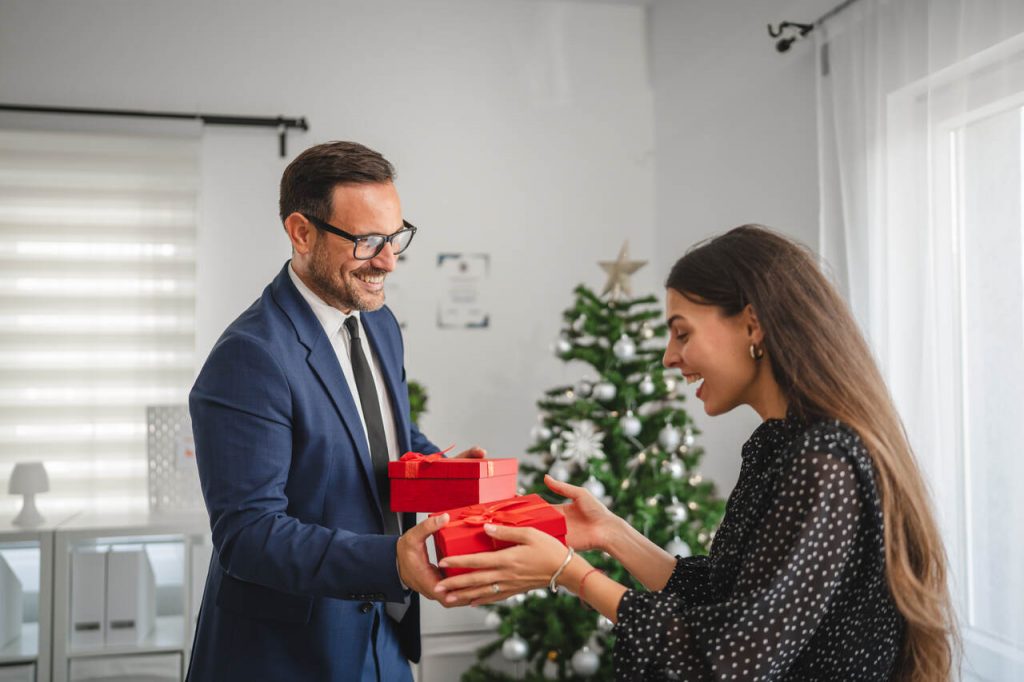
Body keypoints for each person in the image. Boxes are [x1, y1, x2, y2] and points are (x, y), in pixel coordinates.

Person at [435, 225, 957, 681]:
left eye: (682, 333)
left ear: (752, 325)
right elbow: (718, 595)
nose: (669, 357)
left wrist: (571, 573)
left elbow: (729, 659)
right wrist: (610, 535)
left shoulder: (822, 463)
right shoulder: (779, 447)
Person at [186, 141, 482, 682]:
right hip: (286, 656)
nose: (389, 261)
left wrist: (443, 471)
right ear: (301, 232)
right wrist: (392, 561)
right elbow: (248, 535)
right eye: (368, 241)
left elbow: (384, 438)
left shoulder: (381, 325)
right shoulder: (249, 356)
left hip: (386, 643)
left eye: (395, 237)